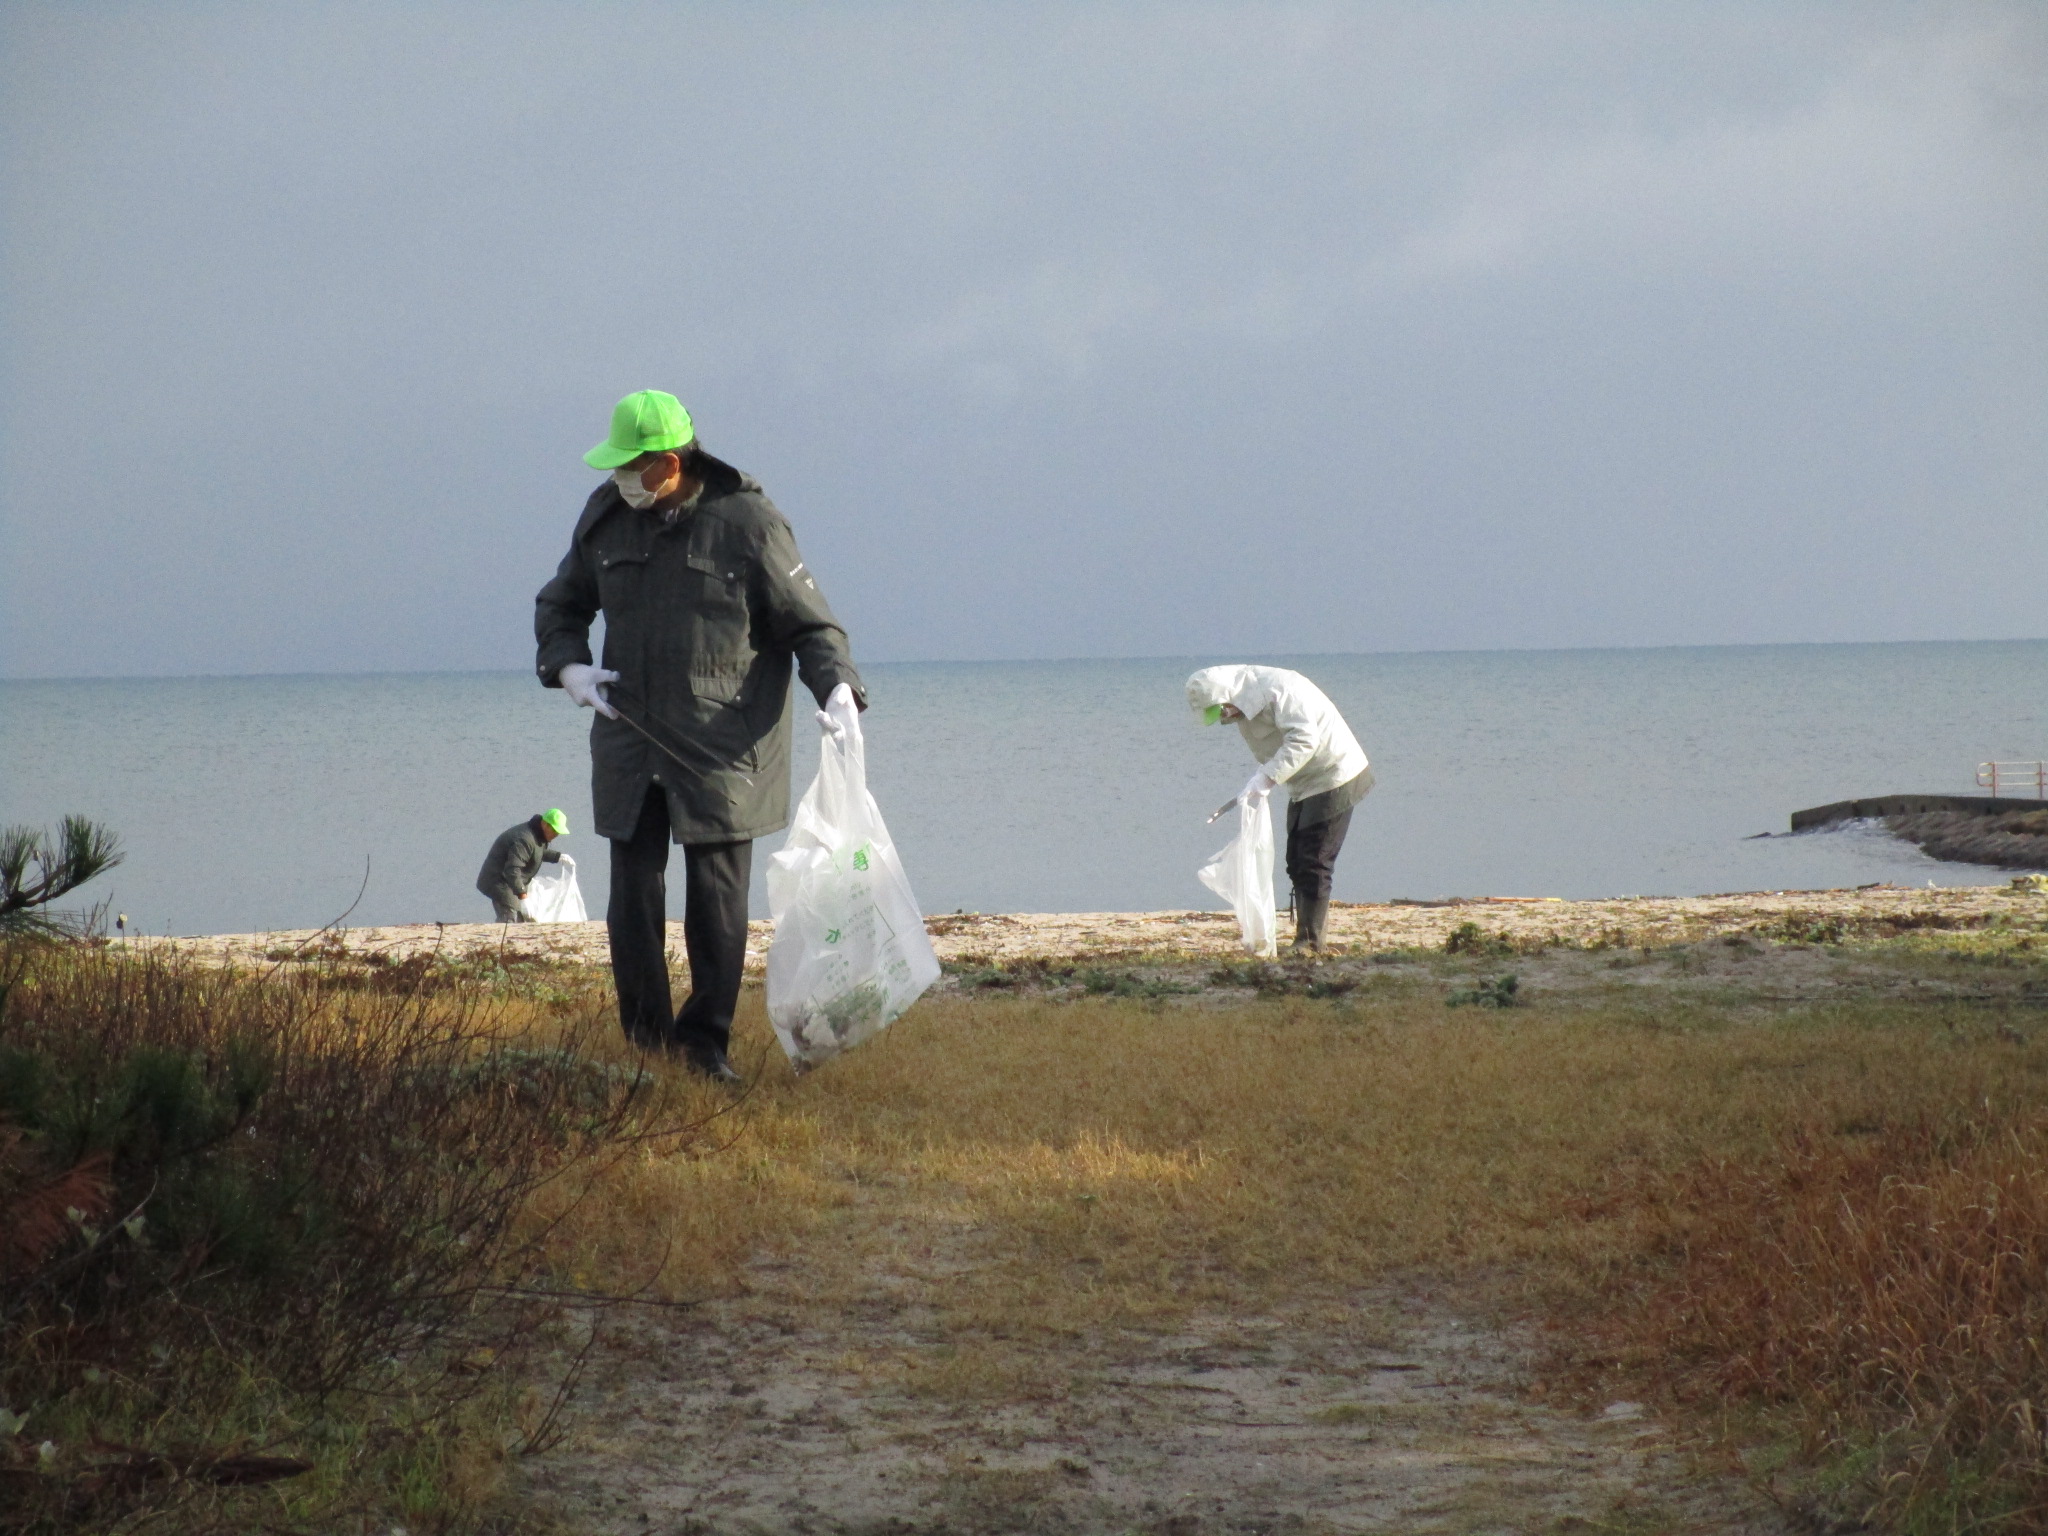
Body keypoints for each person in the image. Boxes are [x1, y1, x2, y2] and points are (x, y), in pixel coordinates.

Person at [535, 389, 865, 1081]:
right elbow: (561, 601)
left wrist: (836, 687)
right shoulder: (605, 516)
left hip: (723, 745)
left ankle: (705, 1046)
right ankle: (648, 1043)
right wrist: (567, 665)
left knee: (716, 899)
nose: (621, 478)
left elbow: (811, 624)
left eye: (633, 466)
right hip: (629, 737)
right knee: (633, 892)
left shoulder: (748, 521)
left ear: (669, 463)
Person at [1186, 666, 1372, 954]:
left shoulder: (1281, 690)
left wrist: (1266, 777)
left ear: (1229, 695)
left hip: (1335, 773)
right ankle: (1305, 937)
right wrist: (1263, 780)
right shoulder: (1243, 703)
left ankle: (1310, 944)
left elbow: (1304, 740)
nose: (1224, 717)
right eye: (1216, 714)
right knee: (1295, 859)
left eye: (1222, 710)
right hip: (1301, 781)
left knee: (1314, 860)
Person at [476, 809, 573, 923]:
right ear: (546, 824)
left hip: (511, 880)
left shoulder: (537, 835)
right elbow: (513, 869)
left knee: (522, 917)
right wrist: (523, 897)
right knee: (511, 915)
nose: (556, 835)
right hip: (498, 880)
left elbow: (535, 852)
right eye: (555, 831)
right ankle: (504, 937)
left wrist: (557, 856)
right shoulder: (524, 839)